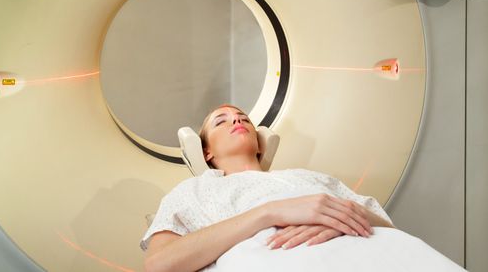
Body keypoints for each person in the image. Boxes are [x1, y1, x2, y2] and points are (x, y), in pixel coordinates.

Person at [141, 105, 394, 272]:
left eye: (243, 118)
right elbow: (159, 264)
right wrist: (270, 212)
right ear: (206, 151)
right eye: (221, 121)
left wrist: (337, 216)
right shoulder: (193, 190)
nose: (237, 120)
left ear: (261, 144)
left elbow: (389, 229)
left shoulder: (309, 177)